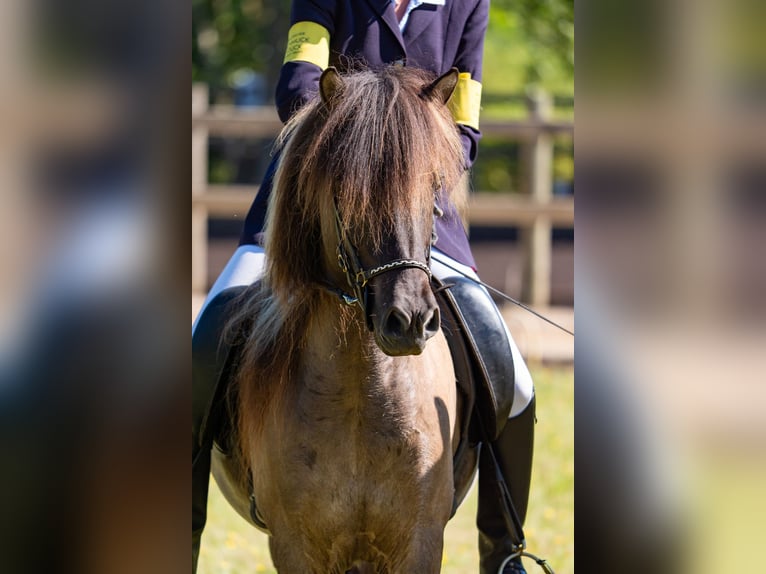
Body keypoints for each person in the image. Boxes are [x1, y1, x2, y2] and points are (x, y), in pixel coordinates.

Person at [193, 2, 536, 573]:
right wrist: (362, 134)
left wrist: (408, 145)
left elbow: (465, 129)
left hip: (418, 224)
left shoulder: (466, 4)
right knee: (202, 346)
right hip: (311, 210)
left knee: (516, 381)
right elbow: (299, 88)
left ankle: (504, 554)